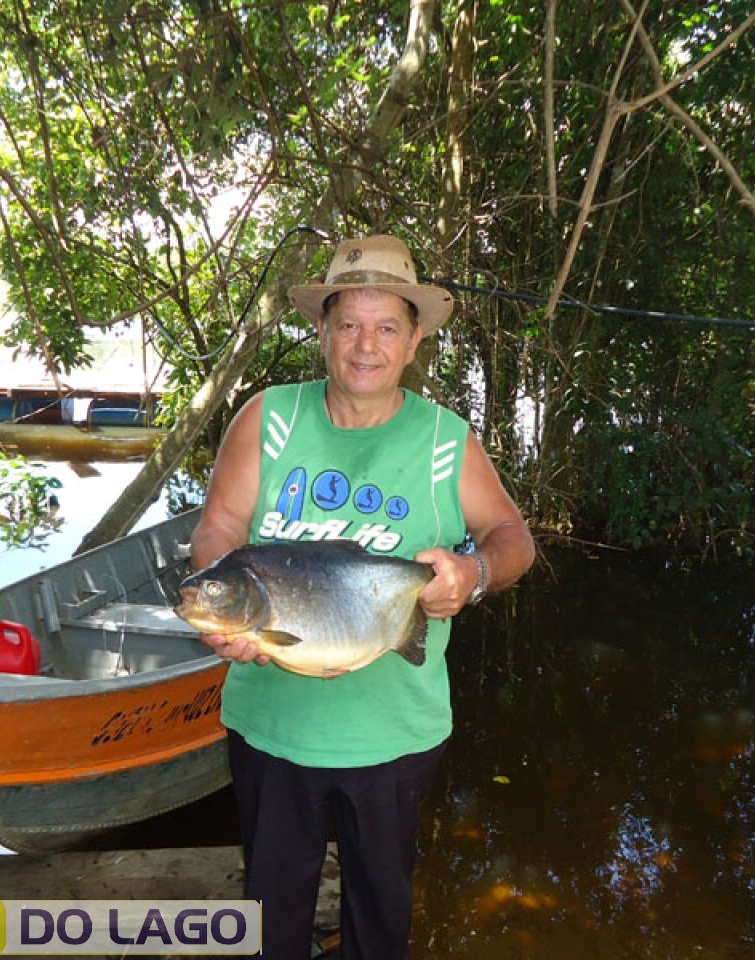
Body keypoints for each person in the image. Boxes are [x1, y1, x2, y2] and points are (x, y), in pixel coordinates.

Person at [190, 233, 535, 959]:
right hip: (272, 731)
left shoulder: (448, 441)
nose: (365, 345)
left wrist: (470, 576)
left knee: (380, 921)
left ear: (413, 342)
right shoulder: (268, 419)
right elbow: (218, 529)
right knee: (272, 920)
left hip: (395, 737)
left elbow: (511, 536)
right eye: (348, 324)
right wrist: (218, 608)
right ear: (322, 332)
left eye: (386, 327)